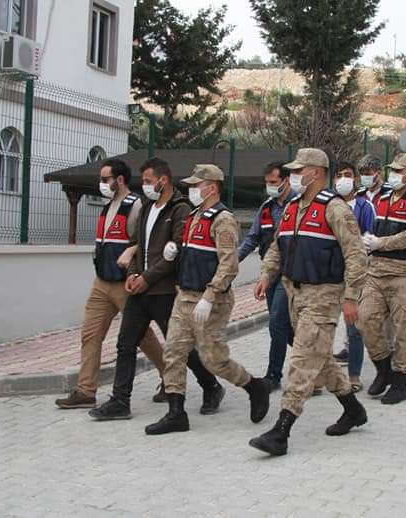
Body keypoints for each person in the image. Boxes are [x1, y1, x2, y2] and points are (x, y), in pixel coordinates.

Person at [249, 148, 368, 457]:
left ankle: (282, 430)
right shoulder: (292, 207)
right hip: (294, 294)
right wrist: (265, 275)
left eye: (298, 170)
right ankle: (353, 409)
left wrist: (352, 297)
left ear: (315, 172)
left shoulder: (335, 209)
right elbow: (276, 247)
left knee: (302, 360)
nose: (293, 176)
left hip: (323, 295)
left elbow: (356, 255)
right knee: (321, 357)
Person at [89, 158, 221, 421]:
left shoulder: (180, 210)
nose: (145, 186)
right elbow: (136, 245)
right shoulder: (147, 207)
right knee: (125, 344)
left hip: (163, 291)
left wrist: (147, 278)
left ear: (163, 180)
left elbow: (175, 252)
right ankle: (120, 401)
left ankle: (211, 386)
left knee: (178, 347)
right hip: (139, 290)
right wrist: (132, 273)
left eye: (149, 181)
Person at [145, 165, 270, 435]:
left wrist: (210, 296)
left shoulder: (223, 219)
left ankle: (253, 386)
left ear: (211, 188)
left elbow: (229, 264)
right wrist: (174, 252)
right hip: (185, 296)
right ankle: (176, 413)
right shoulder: (193, 215)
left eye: (196, 185)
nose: (192, 190)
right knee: (173, 353)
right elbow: (195, 253)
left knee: (214, 360)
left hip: (210, 301)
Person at [55, 159, 166, 409]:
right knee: (90, 334)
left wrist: (133, 259)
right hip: (101, 282)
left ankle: (169, 376)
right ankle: (86, 390)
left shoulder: (135, 205)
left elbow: (148, 240)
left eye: (105, 179)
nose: (101, 184)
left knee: (142, 336)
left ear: (119, 180)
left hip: (124, 283)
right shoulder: (107, 207)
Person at [359, 153, 406, 405]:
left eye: (399, 171)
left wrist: (382, 243)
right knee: (365, 318)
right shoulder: (383, 198)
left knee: (404, 327)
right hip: (376, 269)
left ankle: (400, 381)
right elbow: (373, 225)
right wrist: (367, 240)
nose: (393, 175)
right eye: (393, 170)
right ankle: (382, 368)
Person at [237, 161, 294, 392]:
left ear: (286, 181)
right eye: (267, 183)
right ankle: (315, 360)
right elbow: (252, 238)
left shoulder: (297, 206)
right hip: (269, 274)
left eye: (274, 182)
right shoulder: (267, 208)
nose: (270, 187)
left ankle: (273, 375)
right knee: (285, 327)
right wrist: (232, 262)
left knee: (277, 322)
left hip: (289, 274)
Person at [330, 161, 374, 391]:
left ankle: (354, 375)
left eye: (347, 175)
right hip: (329, 273)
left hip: (354, 274)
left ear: (355, 179)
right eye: (339, 176)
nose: (343, 180)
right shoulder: (329, 204)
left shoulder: (364, 207)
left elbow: (369, 237)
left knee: (353, 326)